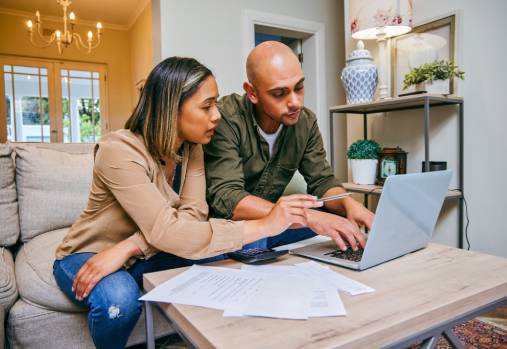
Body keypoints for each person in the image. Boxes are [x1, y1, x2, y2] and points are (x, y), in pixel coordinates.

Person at [53, 57, 322, 349]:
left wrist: (130, 247)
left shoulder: (192, 148)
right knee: (119, 302)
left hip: (144, 251)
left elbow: (192, 217)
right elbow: (169, 231)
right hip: (92, 252)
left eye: (216, 104)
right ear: (170, 109)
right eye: (207, 106)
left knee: (236, 256)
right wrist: (266, 224)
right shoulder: (117, 150)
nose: (217, 115)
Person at [204, 41, 374, 253]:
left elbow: (322, 180)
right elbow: (227, 197)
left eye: (299, 87)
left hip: (276, 225)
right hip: (229, 230)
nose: (295, 102)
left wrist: (349, 203)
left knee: (340, 225)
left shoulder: (305, 121)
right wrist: (307, 216)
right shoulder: (225, 118)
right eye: (279, 93)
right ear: (252, 92)